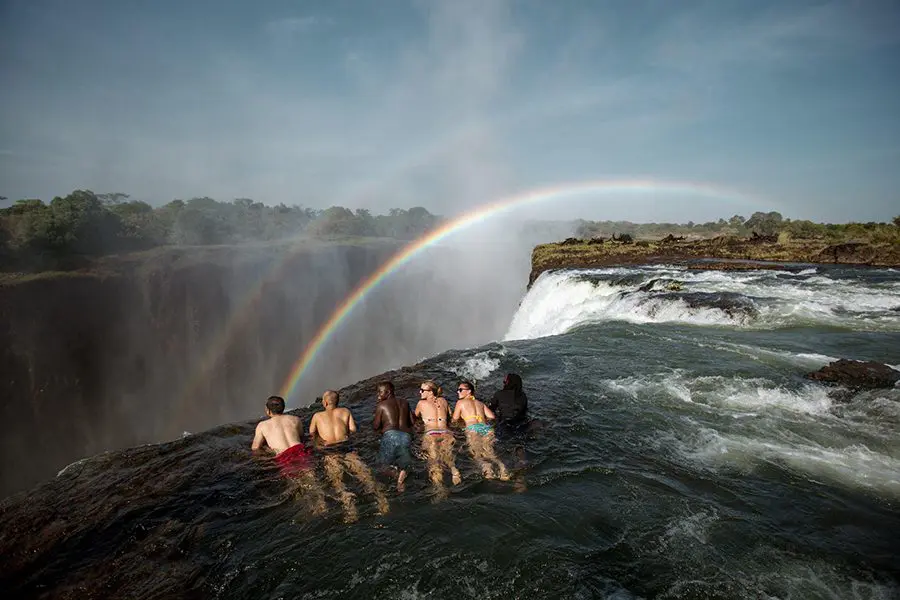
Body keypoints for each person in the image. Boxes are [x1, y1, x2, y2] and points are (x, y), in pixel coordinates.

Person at [309, 390, 389, 522]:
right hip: (346, 446)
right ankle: (382, 500)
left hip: (329, 450)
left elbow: (312, 434)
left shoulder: (317, 416)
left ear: (325, 402)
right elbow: (353, 430)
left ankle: (350, 507)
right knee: (365, 475)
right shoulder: (345, 412)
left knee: (338, 482)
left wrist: (318, 444)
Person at [251, 395, 326, 514]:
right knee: (311, 477)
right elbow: (301, 436)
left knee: (296, 483)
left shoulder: (262, 425)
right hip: (300, 449)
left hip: (284, 455)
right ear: (283, 408)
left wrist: (266, 454)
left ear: (268, 410)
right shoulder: (295, 419)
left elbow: (255, 448)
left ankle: (311, 509)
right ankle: (322, 503)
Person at [451, 380, 509, 480]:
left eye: (460, 390)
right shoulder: (480, 403)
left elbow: (454, 420)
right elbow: (491, 416)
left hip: (472, 429)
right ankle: (502, 468)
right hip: (486, 428)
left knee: (477, 455)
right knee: (491, 453)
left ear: (469, 391)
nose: (458, 392)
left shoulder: (460, 403)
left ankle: (488, 470)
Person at [414, 380, 461, 490]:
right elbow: (450, 415)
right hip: (446, 432)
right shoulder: (443, 400)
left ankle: (439, 488)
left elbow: (415, 416)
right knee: (448, 457)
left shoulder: (421, 403)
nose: (420, 392)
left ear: (430, 392)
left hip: (431, 433)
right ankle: (454, 471)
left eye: (422, 390)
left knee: (434, 461)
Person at [372, 381, 413, 491]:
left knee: (381, 466)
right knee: (405, 462)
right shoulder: (405, 402)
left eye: (380, 392)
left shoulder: (381, 405)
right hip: (406, 436)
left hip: (390, 436)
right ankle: (402, 474)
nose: (378, 395)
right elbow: (412, 422)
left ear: (388, 392)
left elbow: (375, 426)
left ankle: (396, 474)